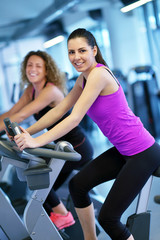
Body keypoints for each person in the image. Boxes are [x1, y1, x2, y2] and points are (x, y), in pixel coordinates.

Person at [13, 28, 160, 240]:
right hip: (123, 151)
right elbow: (60, 109)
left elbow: (74, 118)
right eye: (71, 52)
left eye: (82, 50)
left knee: (109, 218)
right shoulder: (84, 78)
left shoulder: (99, 74)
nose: (76, 57)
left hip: (143, 152)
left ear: (94, 50)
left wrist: (35, 142)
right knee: (77, 185)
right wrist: (27, 132)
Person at [1, 50, 93, 230]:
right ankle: (59, 225)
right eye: (29, 65)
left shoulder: (50, 90)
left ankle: (63, 215)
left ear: (46, 70)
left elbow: (22, 114)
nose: (32, 69)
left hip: (76, 147)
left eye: (38, 66)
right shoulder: (31, 90)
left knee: (41, 183)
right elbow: (12, 112)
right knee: (40, 196)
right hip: (60, 147)